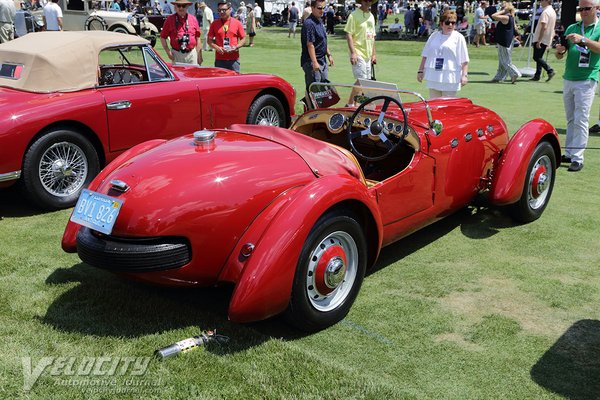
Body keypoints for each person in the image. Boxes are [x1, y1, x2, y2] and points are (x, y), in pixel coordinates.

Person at [554, 0, 600, 172]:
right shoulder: (572, 27)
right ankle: (570, 152)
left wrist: (584, 40)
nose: (583, 11)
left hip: (587, 78)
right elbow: (561, 54)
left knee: (582, 118)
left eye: (587, 8)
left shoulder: (599, 28)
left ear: (596, 9)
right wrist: (559, 51)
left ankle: (578, 157)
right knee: (571, 118)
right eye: (580, 8)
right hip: (569, 77)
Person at [417, 10, 469, 98]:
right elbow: (425, 54)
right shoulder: (434, 36)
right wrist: (420, 71)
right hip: (434, 75)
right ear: (441, 24)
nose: (450, 25)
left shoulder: (459, 37)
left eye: (453, 23)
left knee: (447, 105)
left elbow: (465, 59)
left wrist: (464, 75)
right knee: (434, 104)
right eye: (448, 22)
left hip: (450, 77)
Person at [300, 0, 334, 99]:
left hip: (322, 61)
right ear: (312, 8)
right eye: (319, 8)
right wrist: (314, 62)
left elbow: (323, 40)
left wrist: (329, 55)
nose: (322, 10)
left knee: (323, 90)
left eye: (324, 8)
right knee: (314, 91)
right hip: (311, 62)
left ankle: (320, 112)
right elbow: (310, 44)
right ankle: (309, 112)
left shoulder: (319, 21)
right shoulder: (309, 23)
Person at [160, 0, 202, 65]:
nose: (181, 8)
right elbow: (162, 37)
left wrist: (199, 55)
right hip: (176, 54)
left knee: (192, 74)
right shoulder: (169, 20)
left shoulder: (193, 19)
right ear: (175, 7)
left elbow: (198, 37)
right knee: (178, 74)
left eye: (184, 6)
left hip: (191, 54)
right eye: (179, 6)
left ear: (187, 7)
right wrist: (168, 52)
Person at [208, 1, 246, 72]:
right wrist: (217, 48)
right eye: (219, 10)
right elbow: (209, 40)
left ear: (230, 9)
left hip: (234, 59)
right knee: (220, 82)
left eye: (224, 10)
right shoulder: (214, 24)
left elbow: (243, 39)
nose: (221, 12)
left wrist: (236, 47)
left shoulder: (237, 23)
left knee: (235, 81)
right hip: (220, 60)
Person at [344, 0, 376, 80]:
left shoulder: (371, 16)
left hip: (368, 54)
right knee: (362, 80)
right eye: (365, 0)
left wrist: (374, 54)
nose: (367, 2)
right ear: (361, 1)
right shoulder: (353, 15)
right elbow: (349, 34)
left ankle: (357, 93)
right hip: (358, 52)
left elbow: (373, 36)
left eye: (370, 0)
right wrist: (353, 53)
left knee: (367, 81)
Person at [491, 2, 521, 83]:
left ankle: (515, 73)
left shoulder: (506, 17)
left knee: (505, 61)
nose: (500, 8)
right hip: (505, 40)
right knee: (502, 60)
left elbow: (493, 16)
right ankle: (499, 77)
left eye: (502, 7)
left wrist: (503, 11)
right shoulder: (511, 17)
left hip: (504, 41)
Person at [530, 0, 556, 81]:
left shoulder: (545, 12)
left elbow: (544, 27)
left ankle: (549, 70)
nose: (540, 2)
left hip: (541, 38)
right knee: (539, 57)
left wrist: (539, 40)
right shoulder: (552, 11)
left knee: (536, 57)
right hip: (547, 38)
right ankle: (537, 75)